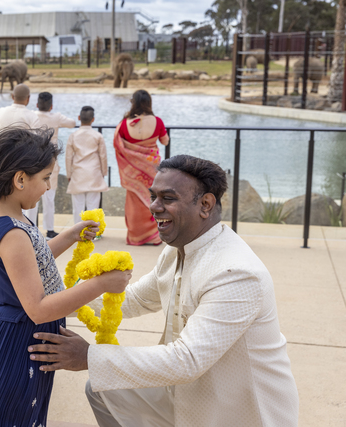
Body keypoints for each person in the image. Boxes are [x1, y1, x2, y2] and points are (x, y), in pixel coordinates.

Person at [29, 155, 299, 427]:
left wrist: (87, 356)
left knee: (102, 378)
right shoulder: (176, 251)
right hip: (187, 395)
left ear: (205, 205)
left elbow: (187, 360)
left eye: (167, 198)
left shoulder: (236, 272)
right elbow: (133, 300)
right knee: (103, 391)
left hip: (238, 413)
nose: (154, 207)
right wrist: (51, 302)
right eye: (153, 196)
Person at [0, 128, 132, 427]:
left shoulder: (7, 214)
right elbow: (38, 309)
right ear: (20, 179)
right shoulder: (13, 232)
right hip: (15, 343)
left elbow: (31, 263)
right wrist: (101, 284)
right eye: (46, 178)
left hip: (10, 336)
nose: (49, 186)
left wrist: (69, 236)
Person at [114, 89, 169, 246]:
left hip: (133, 171)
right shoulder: (157, 121)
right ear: (149, 103)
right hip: (152, 168)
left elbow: (118, 145)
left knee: (134, 202)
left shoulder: (124, 124)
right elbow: (165, 141)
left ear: (133, 103)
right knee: (154, 198)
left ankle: (136, 237)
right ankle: (155, 236)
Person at [0, 83, 42, 224]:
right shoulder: (32, 116)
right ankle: (29, 226)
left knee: (6, 195)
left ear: (12, 96)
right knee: (29, 197)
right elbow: (37, 141)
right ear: (28, 98)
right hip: (24, 161)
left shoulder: (2, 112)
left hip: (3, 160)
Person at [34, 92, 76, 240]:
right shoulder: (56, 117)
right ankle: (50, 230)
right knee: (49, 199)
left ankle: (31, 228)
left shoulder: (32, 116)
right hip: (50, 162)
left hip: (33, 161)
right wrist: (56, 116)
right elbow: (72, 123)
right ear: (51, 106)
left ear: (37, 104)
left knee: (30, 197)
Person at [66, 106, 108, 225]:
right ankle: (92, 232)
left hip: (78, 174)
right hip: (94, 174)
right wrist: (104, 172)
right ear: (93, 119)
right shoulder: (98, 136)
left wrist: (69, 174)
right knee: (93, 208)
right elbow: (103, 156)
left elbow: (68, 157)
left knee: (77, 209)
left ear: (79, 118)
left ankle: (77, 231)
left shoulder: (73, 136)